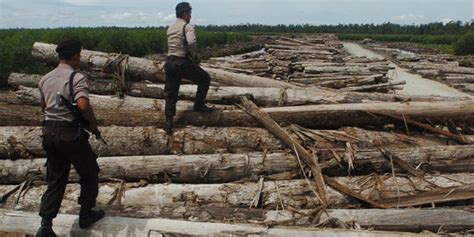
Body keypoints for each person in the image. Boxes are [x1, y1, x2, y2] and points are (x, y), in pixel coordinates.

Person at [36, 39, 104, 237]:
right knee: (90, 172)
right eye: (79, 56)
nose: (79, 59)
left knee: (56, 179)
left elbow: (44, 107)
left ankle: (46, 226)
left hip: (49, 132)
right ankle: (86, 214)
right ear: (74, 56)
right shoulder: (76, 78)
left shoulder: (44, 79)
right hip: (70, 134)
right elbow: (82, 105)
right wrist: (92, 124)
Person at [163, 2, 215, 134]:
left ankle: (168, 122)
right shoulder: (187, 27)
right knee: (204, 78)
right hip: (182, 63)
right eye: (190, 13)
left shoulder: (170, 28)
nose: (190, 15)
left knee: (171, 92)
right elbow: (191, 42)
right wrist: (194, 55)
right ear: (185, 13)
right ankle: (198, 105)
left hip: (169, 63)